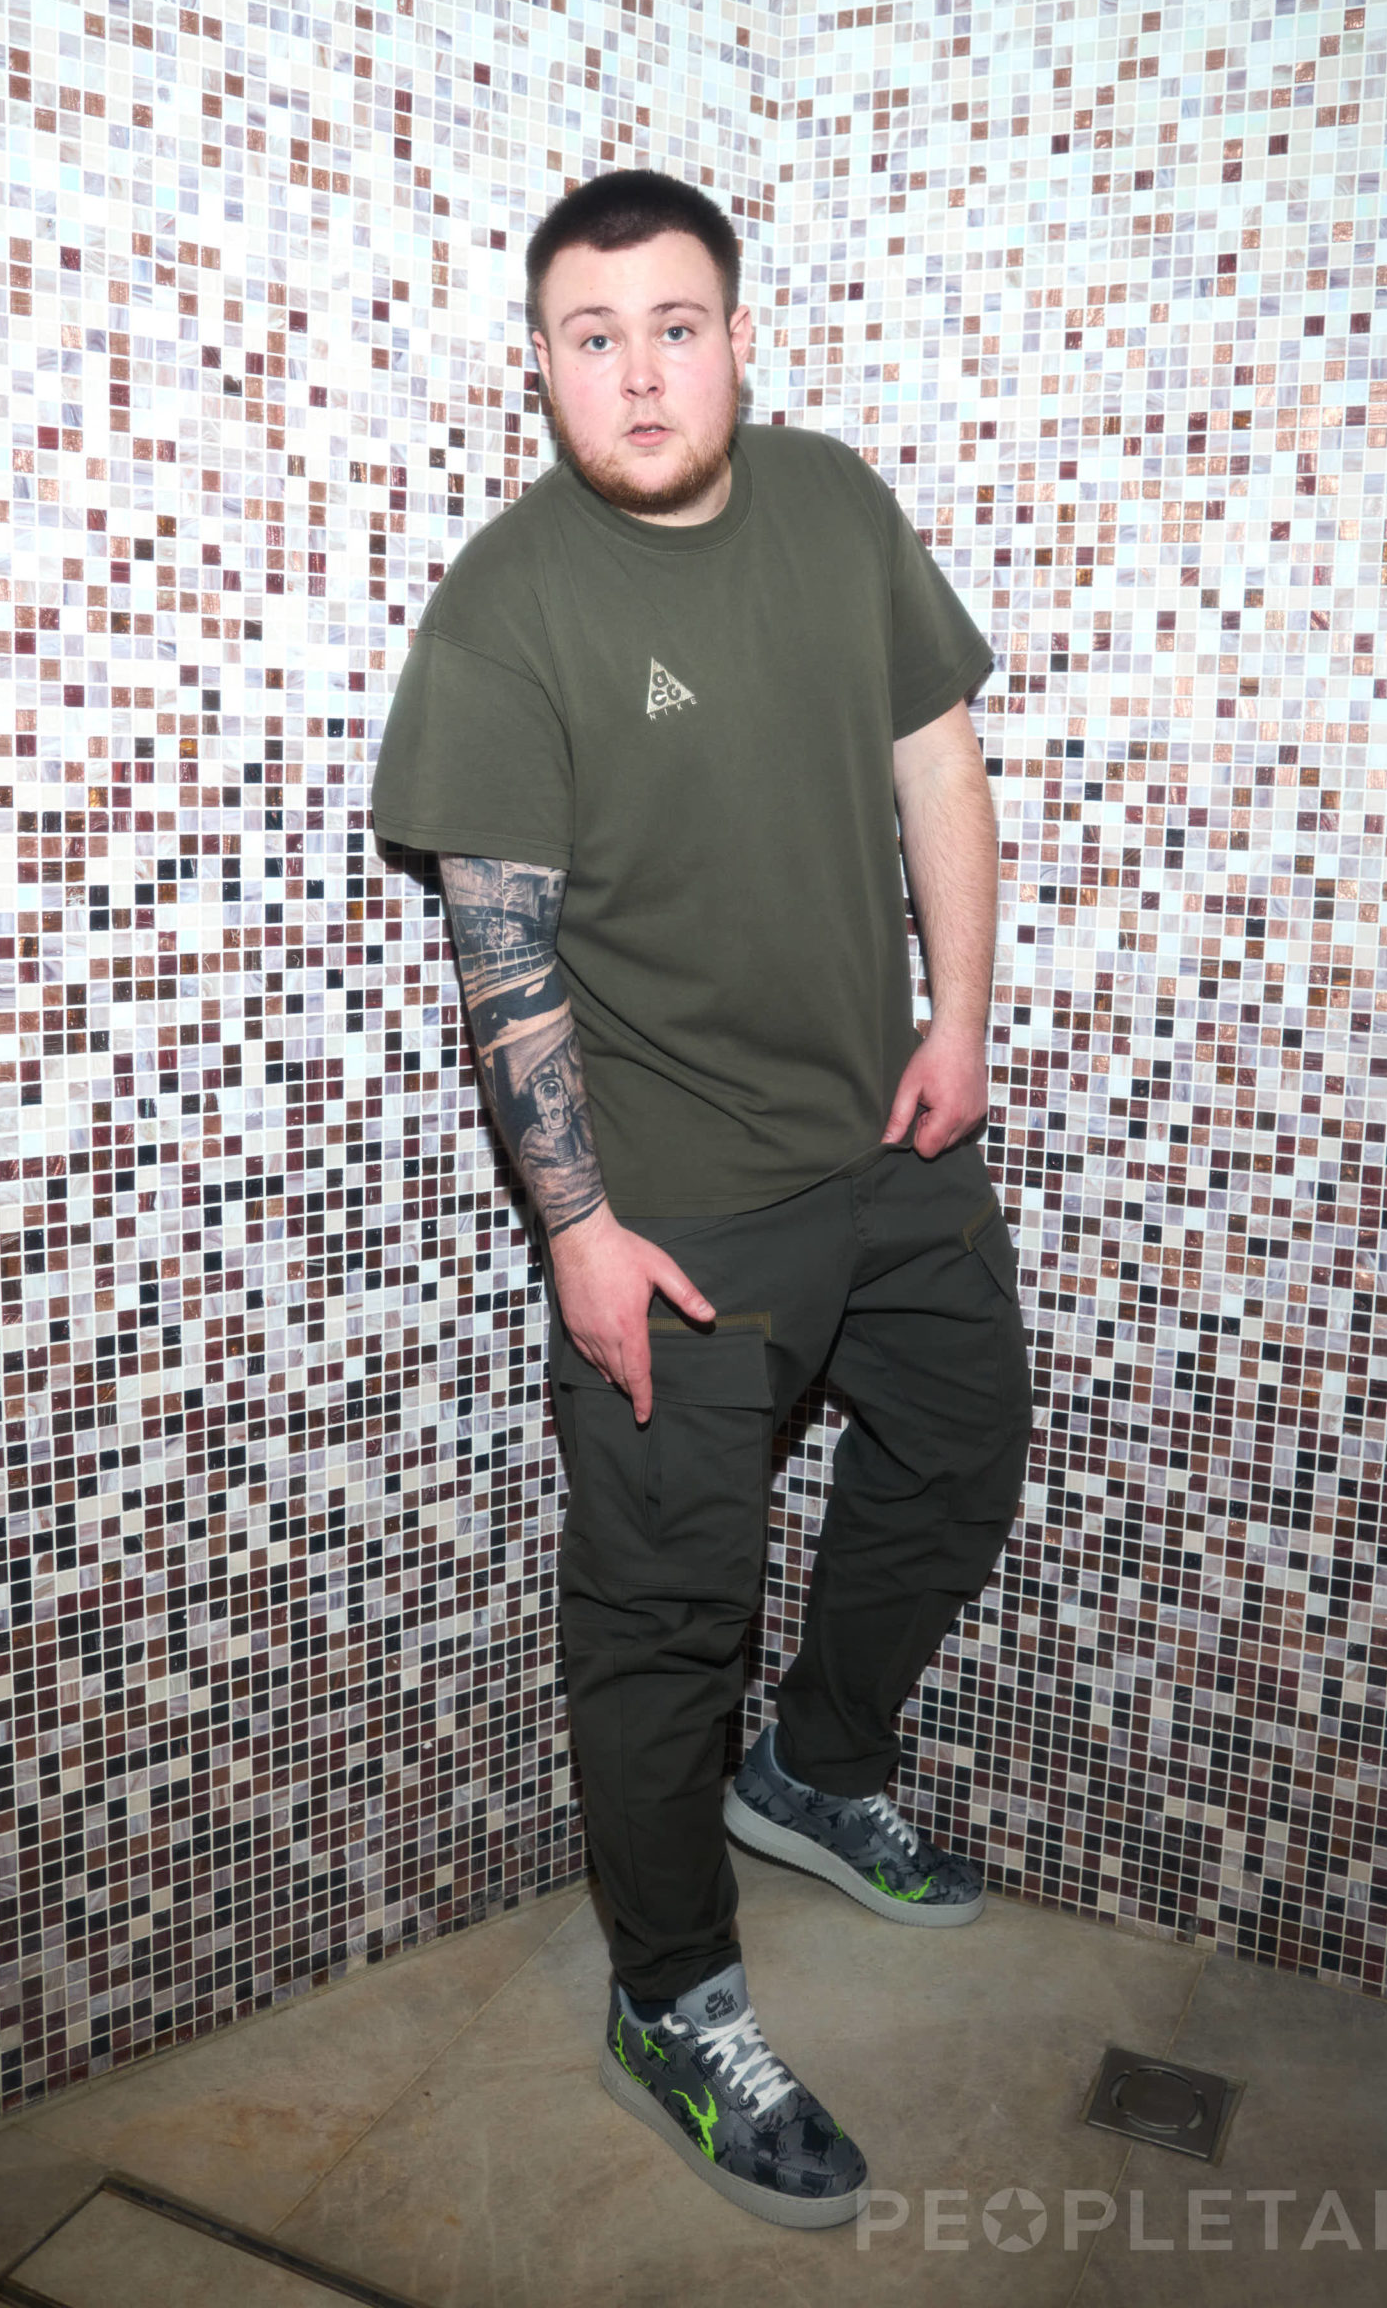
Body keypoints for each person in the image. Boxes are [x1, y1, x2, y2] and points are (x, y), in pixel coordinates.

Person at [372, 170, 1033, 2232]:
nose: (640, 371)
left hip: (891, 1150)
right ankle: (671, 1993)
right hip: (675, 1222)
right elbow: (500, 952)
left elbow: (936, 758)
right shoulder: (508, 605)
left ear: (740, 339)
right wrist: (577, 1230)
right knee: (667, 1615)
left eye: (676, 326)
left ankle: (814, 1768)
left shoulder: (833, 503)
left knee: (964, 1448)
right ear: (543, 365)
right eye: (595, 337)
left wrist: (958, 1020)